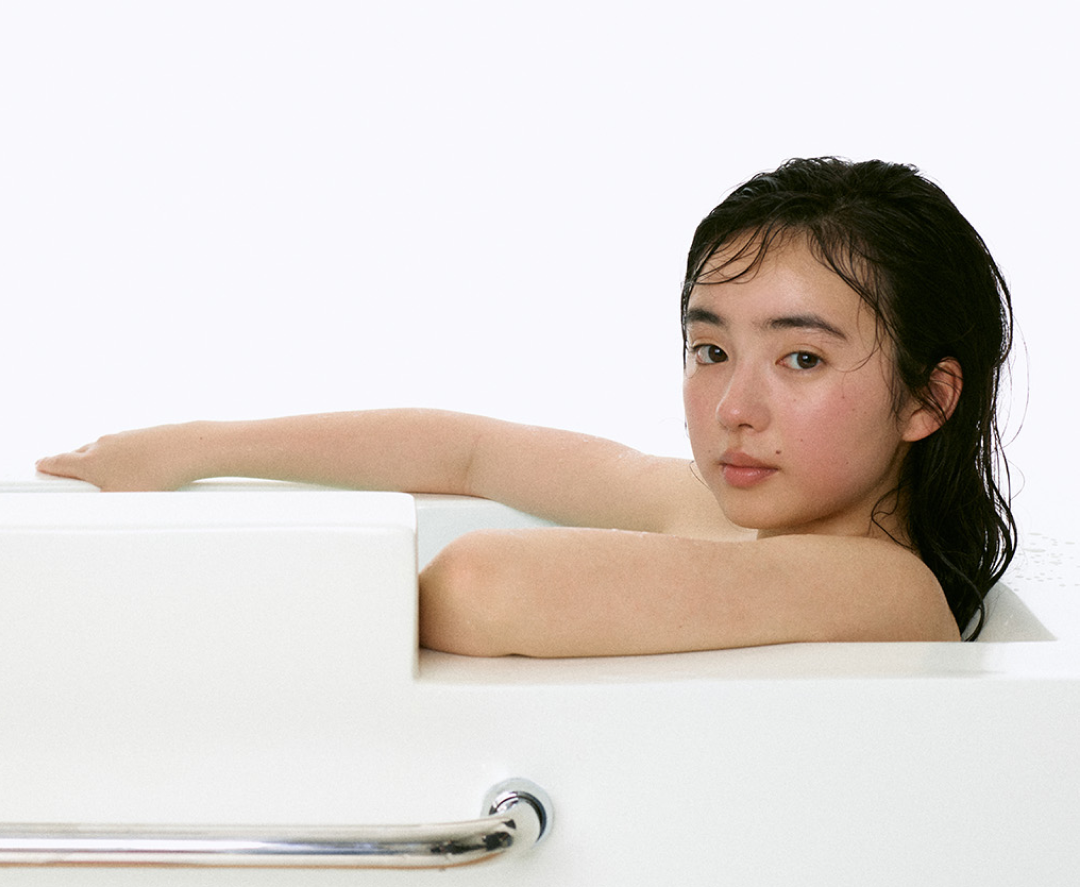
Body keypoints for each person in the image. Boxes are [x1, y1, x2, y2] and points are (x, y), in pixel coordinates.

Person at [36, 157, 1016, 658]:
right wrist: (193, 449)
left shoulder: (884, 593)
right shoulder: (712, 513)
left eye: (800, 357)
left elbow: (482, 588)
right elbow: (466, 453)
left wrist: (169, 612)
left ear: (927, 401)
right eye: (711, 349)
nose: (733, 408)